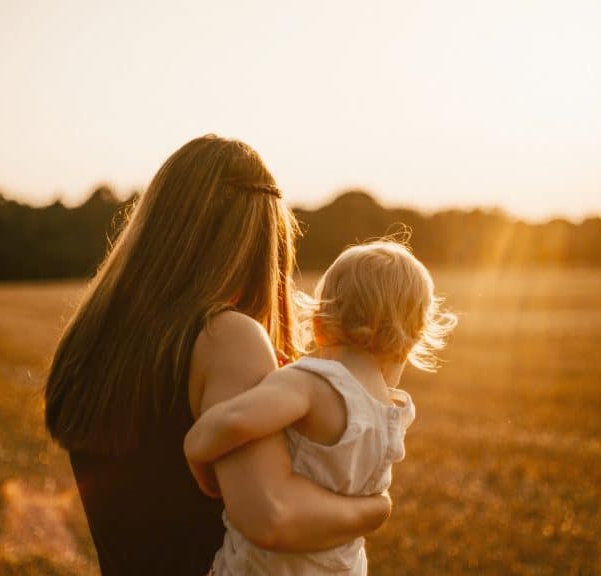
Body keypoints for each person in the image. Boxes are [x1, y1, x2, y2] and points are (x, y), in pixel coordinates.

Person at [44, 135, 392, 575]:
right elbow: (272, 516)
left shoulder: (93, 339)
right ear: (262, 244)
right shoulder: (226, 338)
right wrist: (374, 509)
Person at [185, 240, 457, 575]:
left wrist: (196, 448)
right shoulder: (393, 415)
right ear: (410, 343)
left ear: (318, 325)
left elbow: (238, 419)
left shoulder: (311, 384)